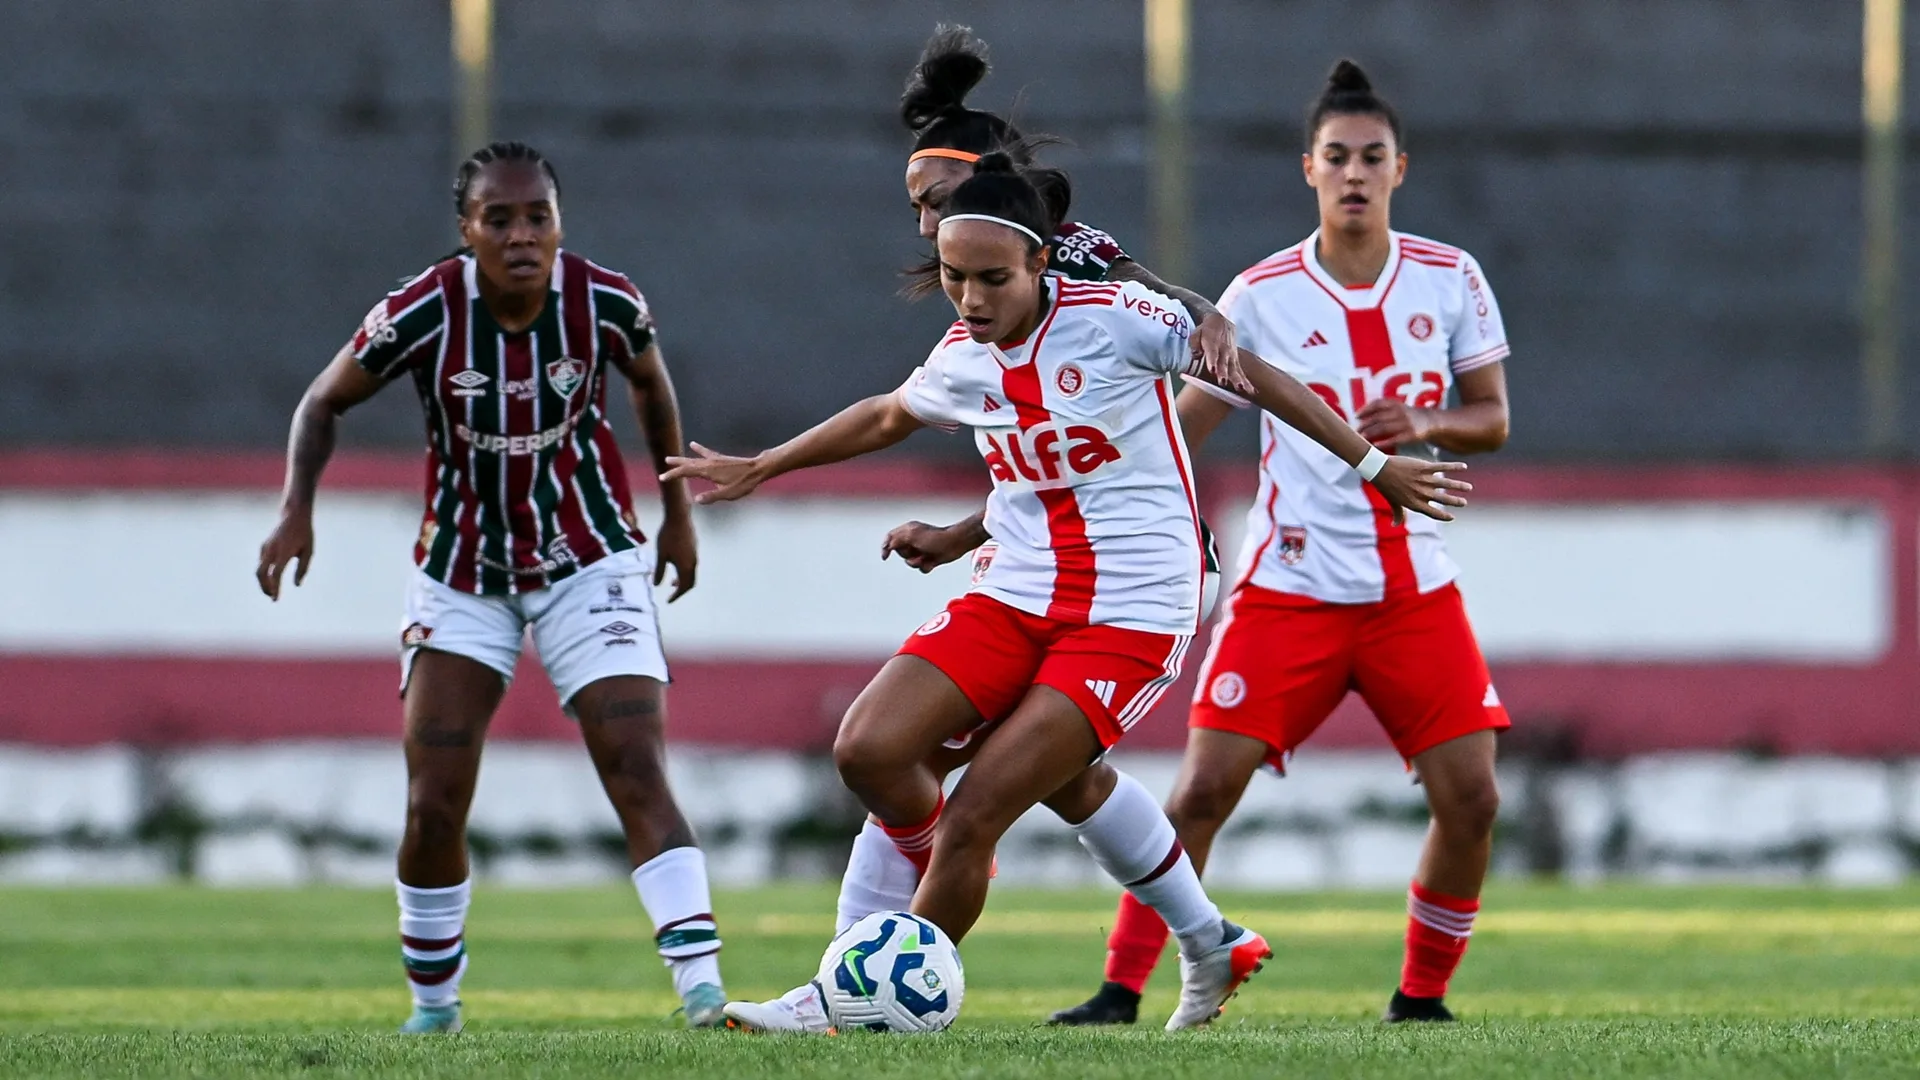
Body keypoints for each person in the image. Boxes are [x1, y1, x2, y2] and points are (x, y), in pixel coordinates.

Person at [664, 153, 1470, 1032]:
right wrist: (766, 464)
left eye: (992, 280)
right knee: (871, 751)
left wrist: (1374, 464)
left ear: (1041, 262)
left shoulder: (1115, 320)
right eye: (953, 277)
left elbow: (1256, 375)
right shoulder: (964, 355)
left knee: (975, 814)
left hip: (1134, 606)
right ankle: (1205, 940)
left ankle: (843, 999)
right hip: (1017, 589)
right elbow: (891, 413)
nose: (970, 299)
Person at [1048, 60, 1513, 1028]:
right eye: (1336, 157)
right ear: (1309, 168)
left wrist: (1425, 420)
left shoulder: (1450, 276)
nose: (1355, 174)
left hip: (1411, 592)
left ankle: (1420, 1002)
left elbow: (1493, 418)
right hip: (1288, 588)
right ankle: (1120, 992)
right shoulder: (1259, 295)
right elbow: (1185, 426)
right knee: (1200, 793)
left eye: (1372, 158)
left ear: (1400, 169)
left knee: (1471, 799)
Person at [254, 142, 729, 1032]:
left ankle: (703, 991)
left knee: (635, 764)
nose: (521, 236)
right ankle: (434, 1009)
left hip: (589, 557)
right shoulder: (422, 311)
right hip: (463, 574)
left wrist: (679, 514)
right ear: (466, 231)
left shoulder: (606, 302)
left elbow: (651, 388)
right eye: (499, 219)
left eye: (537, 217)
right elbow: (323, 401)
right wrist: (295, 511)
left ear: (559, 224)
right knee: (434, 800)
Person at [830, 22, 1244, 958]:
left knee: (956, 778)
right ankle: (1212, 939)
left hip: (1125, 573)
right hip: (1036, 565)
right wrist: (966, 530)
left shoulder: (1077, 266)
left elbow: (1173, 344)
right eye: (916, 209)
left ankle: (862, 978)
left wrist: (1210, 316)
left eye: (933, 201)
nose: (925, 227)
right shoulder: (979, 295)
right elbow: (1043, 456)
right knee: (1053, 777)